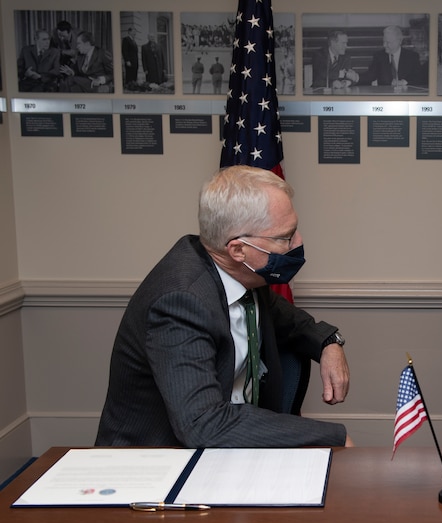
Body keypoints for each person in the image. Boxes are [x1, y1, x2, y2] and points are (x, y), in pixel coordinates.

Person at [96, 165, 353, 448]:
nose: (299, 242)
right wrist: (333, 436)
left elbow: (288, 319)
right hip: (154, 465)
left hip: (225, 448)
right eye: (285, 237)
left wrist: (329, 342)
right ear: (238, 250)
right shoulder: (181, 301)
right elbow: (203, 424)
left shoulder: (241, 275)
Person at [361, 25, 426, 87]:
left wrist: (403, 82)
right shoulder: (379, 56)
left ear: (399, 41)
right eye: (383, 41)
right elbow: (369, 76)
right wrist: (356, 78)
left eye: (388, 42)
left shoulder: (412, 56)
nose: (384, 45)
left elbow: (419, 77)